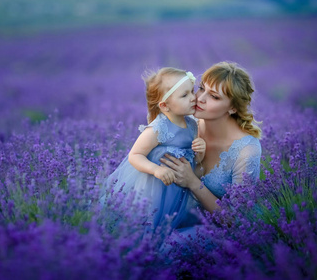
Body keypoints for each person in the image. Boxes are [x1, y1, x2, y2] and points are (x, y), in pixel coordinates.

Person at [159, 61, 262, 243]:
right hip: (178, 216)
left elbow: (236, 220)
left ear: (233, 108)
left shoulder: (247, 151)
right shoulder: (190, 125)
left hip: (219, 232)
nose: (200, 98)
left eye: (214, 96)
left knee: (164, 249)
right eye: (201, 88)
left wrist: (192, 182)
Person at [101, 67, 206, 232]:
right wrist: (156, 170)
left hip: (176, 188)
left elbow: (195, 159)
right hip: (154, 187)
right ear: (165, 106)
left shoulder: (193, 124)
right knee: (147, 222)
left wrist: (200, 149)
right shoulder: (159, 127)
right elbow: (135, 155)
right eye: (185, 95)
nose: (194, 98)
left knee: (170, 219)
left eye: (192, 91)